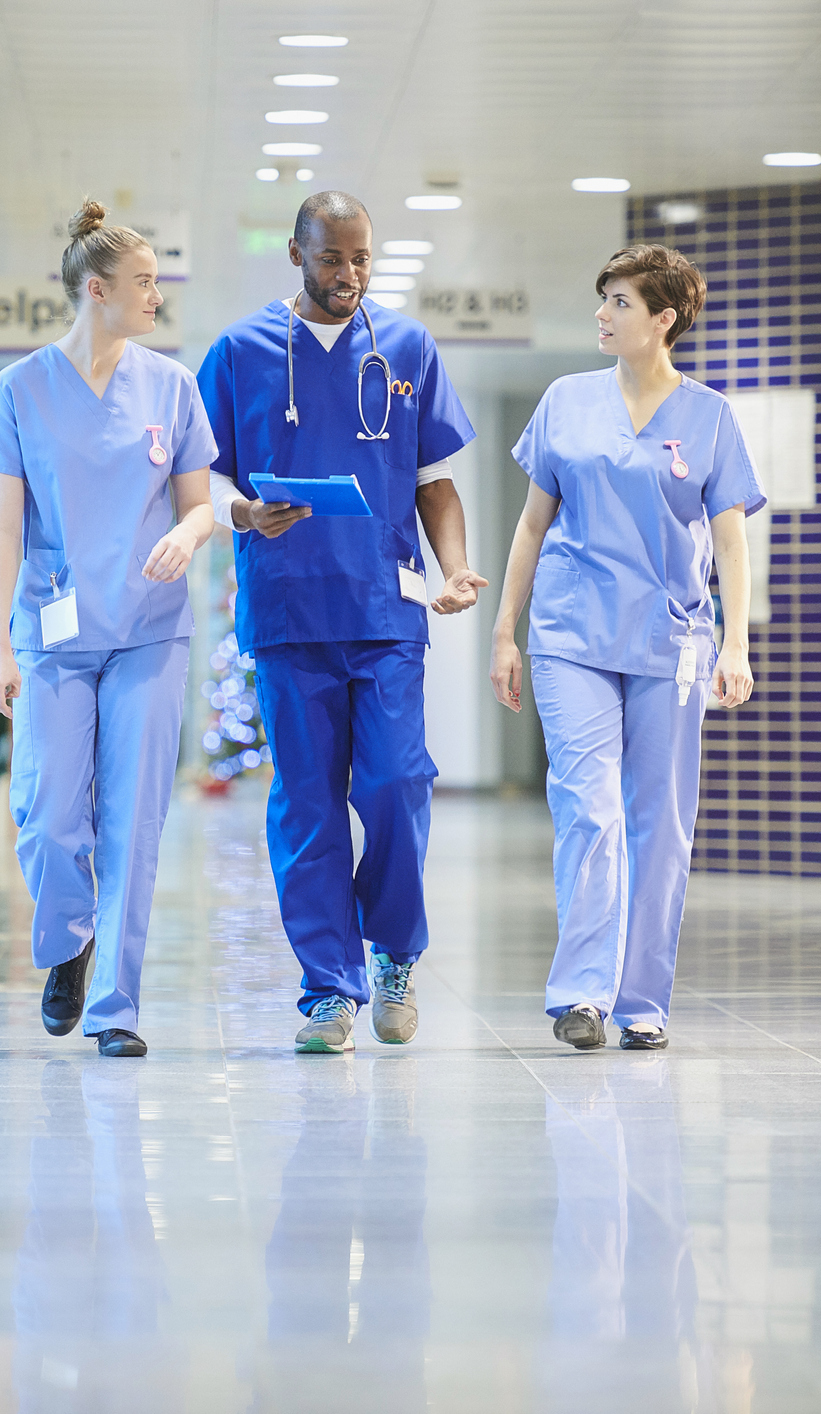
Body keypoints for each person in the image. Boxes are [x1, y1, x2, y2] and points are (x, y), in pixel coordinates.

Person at [196, 191, 482, 1054]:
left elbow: (433, 477)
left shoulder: (405, 347)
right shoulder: (240, 351)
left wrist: (455, 564)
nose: (349, 275)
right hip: (287, 608)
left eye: (362, 259)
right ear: (295, 254)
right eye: (332, 259)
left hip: (386, 606)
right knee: (308, 805)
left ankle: (394, 951)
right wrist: (243, 515)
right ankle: (328, 987)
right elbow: (199, 481)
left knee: (396, 783)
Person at [487, 244, 763, 1052]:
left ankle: (642, 998)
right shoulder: (566, 401)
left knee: (660, 822)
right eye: (602, 299)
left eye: (619, 303)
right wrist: (504, 631)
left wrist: (735, 643)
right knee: (589, 810)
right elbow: (531, 524)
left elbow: (731, 543)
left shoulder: (708, 417)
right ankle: (580, 994)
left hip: (669, 640)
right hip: (570, 634)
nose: (603, 315)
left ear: (663, 320)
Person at [0, 199, 218, 1059]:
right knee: (44, 816)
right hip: (51, 629)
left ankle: (115, 1006)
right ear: (96, 289)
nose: (158, 296)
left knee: (133, 819)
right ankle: (67, 941)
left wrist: (187, 536)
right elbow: (1, 529)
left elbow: (198, 506)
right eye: (145, 282)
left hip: (149, 631)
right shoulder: (19, 389)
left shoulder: (172, 387)